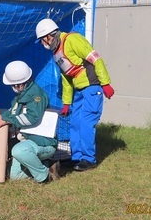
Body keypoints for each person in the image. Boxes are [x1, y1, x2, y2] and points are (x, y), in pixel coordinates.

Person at [35, 18, 115, 171]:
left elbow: (96, 59)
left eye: (42, 41)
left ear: (48, 36)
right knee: (76, 122)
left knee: (86, 122)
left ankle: (88, 159)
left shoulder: (72, 40)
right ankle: (77, 157)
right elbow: (67, 78)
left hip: (92, 87)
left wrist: (105, 83)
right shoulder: (57, 52)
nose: (42, 44)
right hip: (79, 90)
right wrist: (66, 103)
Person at [0, 60, 57, 183]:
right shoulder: (22, 95)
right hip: (28, 140)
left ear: (21, 83)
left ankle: (44, 176)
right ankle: (46, 164)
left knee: (18, 151)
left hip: (42, 142)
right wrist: (3, 116)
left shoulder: (37, 95)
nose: (12, 88)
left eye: (13, 85)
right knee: (15, 177)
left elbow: (32, 117)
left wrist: (7, 121)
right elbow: (13, 112)